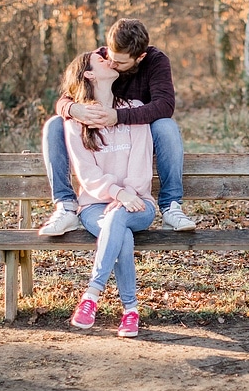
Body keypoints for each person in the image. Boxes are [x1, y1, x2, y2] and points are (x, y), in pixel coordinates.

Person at [39, 18, 196, 236]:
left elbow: (165, 105)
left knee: (166, 126)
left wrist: (118, 116)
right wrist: (75, 109)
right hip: (103, 143)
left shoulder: (156, 62)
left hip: (138, 138)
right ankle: (65, 206)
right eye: (110, 58)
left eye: (120, 63)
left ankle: (171, 206)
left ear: (140, 58)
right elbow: (66, 97)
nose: (112, 65)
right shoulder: (99, 60)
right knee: (55, 124)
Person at [60, 50, 155, 337]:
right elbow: (86, 175)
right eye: (100, 60)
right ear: (88, 74)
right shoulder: (75, 122)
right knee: (118, 227)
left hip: (139, 204)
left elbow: (141, 164)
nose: (108, 59)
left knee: (119, 217)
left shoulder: (134, 109)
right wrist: (116, 194)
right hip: (94, 208)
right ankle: (130, 311)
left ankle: (92, 294)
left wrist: (127, 196)